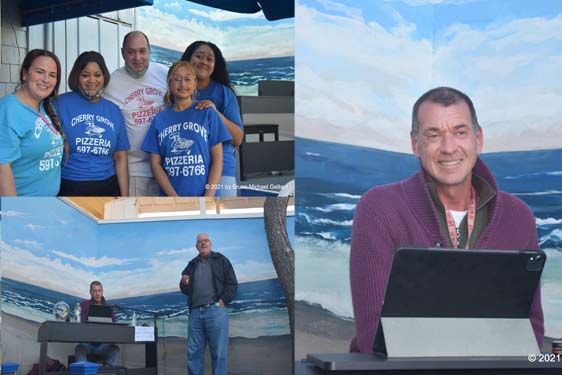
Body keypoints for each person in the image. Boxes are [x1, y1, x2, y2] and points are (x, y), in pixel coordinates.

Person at [349, 87, 544, 353]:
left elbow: (529, 334)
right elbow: (375, 338)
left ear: (478, 138)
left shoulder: (518, 217)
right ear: (416, 144)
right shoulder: (379, 209)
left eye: (460, 132)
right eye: (434, 135)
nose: (449, 148)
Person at [141, 61, 232, 196]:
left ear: (195, 84)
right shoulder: (159, 119)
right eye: (177, 79)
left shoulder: (207, 113)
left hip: (205, 197)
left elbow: (218, 159)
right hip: (171, 200)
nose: (182, 84)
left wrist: (208, 197)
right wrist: (174, 198)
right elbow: (155, 164)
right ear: (169, 83)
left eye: (188, 79)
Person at [56, 51, 129, 196]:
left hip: (107, 185)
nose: (92, 80)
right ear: (77, 76)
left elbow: (120, 157)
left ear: (104, 77)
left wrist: (125, 197)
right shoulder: (60, 104)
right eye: (85, 75)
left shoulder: (113, 110)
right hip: (69, 185)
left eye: (97, 75)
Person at [104, 31, 168, 196]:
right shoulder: (111, 83)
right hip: (134, 171)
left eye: (142, 51)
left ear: (149, 51)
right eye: (131, 52)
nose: (137, 57)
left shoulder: (165, 74)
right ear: (122, 53)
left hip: (168, 167)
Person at [181, 41, 243, 196]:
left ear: (215, 65)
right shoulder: (176, 92)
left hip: (222, 172)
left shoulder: (224, 93)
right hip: (187, 172)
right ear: (188, 59)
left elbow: (237, 139)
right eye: (199, 56)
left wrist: (215, 113)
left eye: (209, 59)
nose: (204, 62)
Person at [0, 49, 65, 196]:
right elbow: (2, 168)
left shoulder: (45, 106)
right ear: (24, 74)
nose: (46, 80)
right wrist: (14, 213)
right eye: (40, 72)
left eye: (52, 75)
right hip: (23, 209)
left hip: (46, 206)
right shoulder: (8, 110)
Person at [179, 233, 238, 375]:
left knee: (218, 353)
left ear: (210, 243)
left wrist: (223, 301)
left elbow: (232, 283)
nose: (203, 243)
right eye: (200, 242)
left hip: (215, 311)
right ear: (196, 246)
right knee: (193, 354)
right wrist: (184, 283)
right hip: (195, 314)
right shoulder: (191, 265)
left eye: (205, 241)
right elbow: (185, 289)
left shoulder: (221, 260)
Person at [75, 281, 120, 365]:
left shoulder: (108, 307)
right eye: (95, 291)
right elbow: (80, 325)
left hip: (103, 346)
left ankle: (106, 372)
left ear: (102, 292)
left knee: (115, 349)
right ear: (90, 292)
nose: (97, 293)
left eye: (99, 291)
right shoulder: (83, 305)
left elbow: (114, 326)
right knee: (79, 348)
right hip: (88, 345)